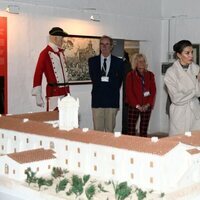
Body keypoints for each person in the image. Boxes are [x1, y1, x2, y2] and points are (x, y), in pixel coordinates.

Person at [88, 35, 124, 132]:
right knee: (97, 131)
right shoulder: (92, 61)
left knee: (109, 131)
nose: (104, 46)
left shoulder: (119, 62)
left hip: (111, 101)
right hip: (97, 100)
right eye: (102, 44)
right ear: (99, 46)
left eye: (107, 44)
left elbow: (119, 81)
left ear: (111, 46)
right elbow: (94, 79)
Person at [164, 40, 200, 135]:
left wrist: (192, 91)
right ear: (179, 55)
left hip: (195, 111)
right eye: (187, 53)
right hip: (179, 112)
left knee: (195, 142)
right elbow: (176, 98)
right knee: (178, 142)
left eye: (192, 52)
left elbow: (199, 93)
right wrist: (194, 90)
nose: (191, 55)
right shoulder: (171, 73)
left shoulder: (197, 69)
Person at [32, 27, 70, 111]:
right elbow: (38, 73)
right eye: (61, 38)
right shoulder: (45, 53)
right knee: (53, 119)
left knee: (66, 119)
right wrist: (38, 95)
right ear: (55, 38)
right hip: (54, 93)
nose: (62, 40)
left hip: (65, 93)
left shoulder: (61, 53)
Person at [125, 53, 156, 137]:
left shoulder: (150, 75)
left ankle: (143, 147)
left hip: (146, 106)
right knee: (131, 130)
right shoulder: (130, 75)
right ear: (135, 63)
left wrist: (148, 104)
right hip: (134, 106)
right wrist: (137, 106)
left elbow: (153, 91)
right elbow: (129, 92)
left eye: (143, 61)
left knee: (143, 130)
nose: (142, 63)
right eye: (139, 61)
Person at [122, 51, 132, 134]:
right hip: (126, 93)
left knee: (126, 114)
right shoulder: (128, 65)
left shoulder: (126, 65)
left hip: (126, 94)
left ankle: (125, 131)